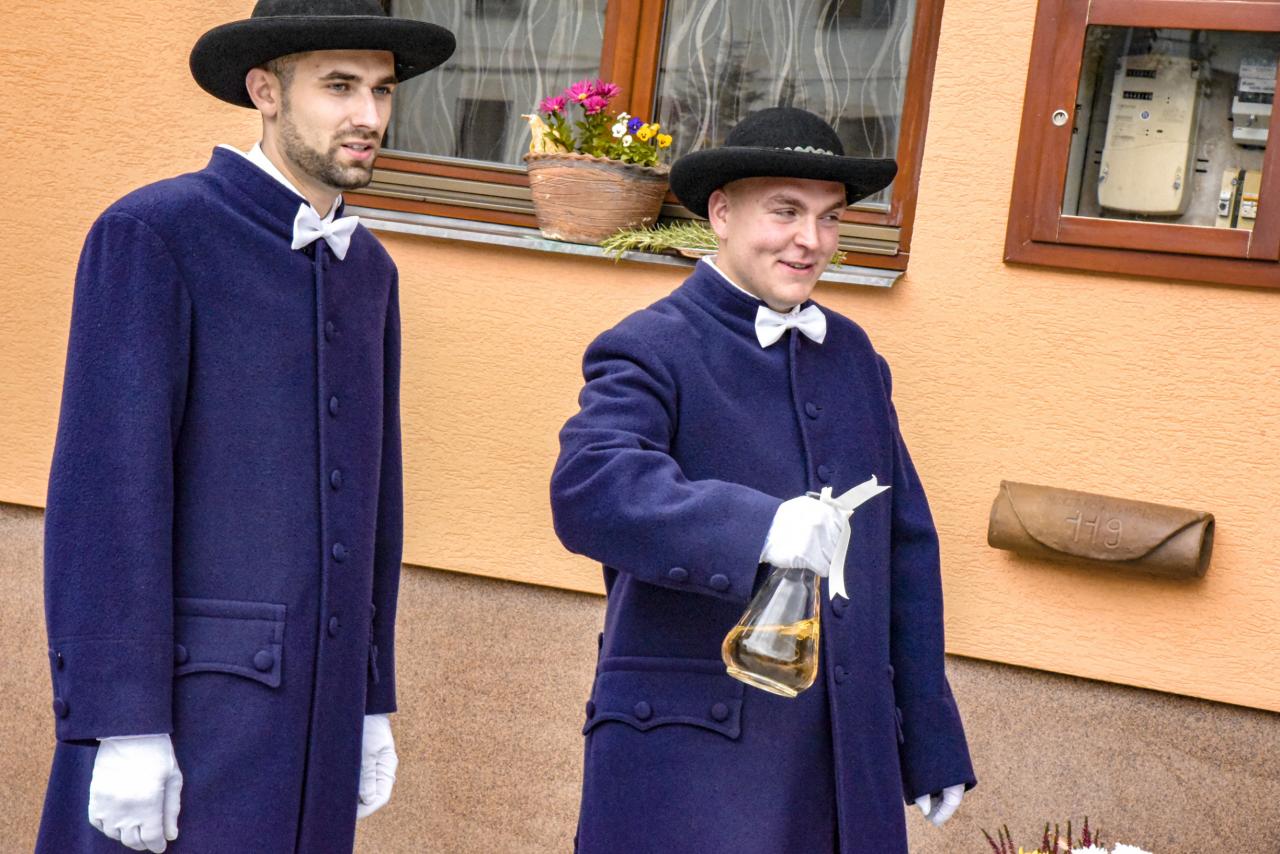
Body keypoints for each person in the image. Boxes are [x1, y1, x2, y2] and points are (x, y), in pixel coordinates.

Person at [36, 2, 454, 852]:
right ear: (265, 91)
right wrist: (124, 724)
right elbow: (107, 495)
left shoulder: (368, 269)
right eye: (339, 86)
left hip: (319, 724)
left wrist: (370, 697)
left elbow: (376, 500)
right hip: (190, 720)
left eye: (380, 90)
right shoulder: (155, 233)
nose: (368, 115)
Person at [550, 107, 976, 853]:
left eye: (829, 217)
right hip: (693, 766)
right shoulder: (650, 344)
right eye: (785, 211)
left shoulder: (854, 356)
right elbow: (591, 487)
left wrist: (928, 733)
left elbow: (905, 548)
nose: (810, 239)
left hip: (843, 764)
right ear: (721, 213)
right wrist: (761, 528)